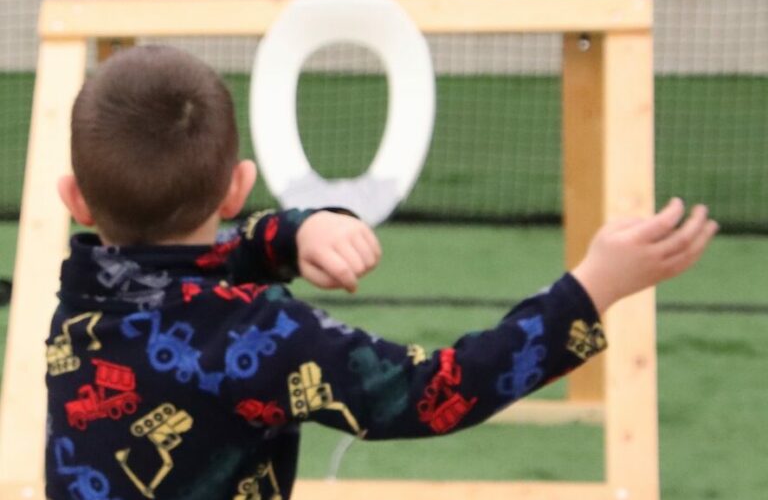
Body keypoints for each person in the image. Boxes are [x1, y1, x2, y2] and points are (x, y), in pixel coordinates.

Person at [45, 45, 717, 500]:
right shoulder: (268, 337)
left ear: (73, 198)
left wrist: (294, 230)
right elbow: (436, 391)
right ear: (239, 185)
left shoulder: (80, 292)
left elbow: (174, 268)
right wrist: (591, 289)